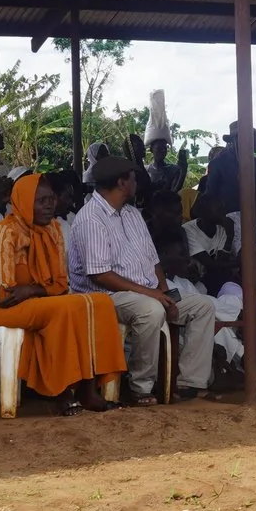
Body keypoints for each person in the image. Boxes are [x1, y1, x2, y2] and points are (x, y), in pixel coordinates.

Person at [0, 172, 125, 414]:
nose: (49, 205)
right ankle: (60, 392)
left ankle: (88, 389)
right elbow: (4, 295)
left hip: (36, 301)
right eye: (41, 200)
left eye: (51, 199)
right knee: (64, 309)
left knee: (100, 302)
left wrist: (33, 289)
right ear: (23, 201)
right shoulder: (5, 232)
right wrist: (39, 292)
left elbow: (60, 284)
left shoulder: (53, 230)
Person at [71, 154, 216, 401]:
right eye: (133, 178)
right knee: (150, 310)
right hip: (105, 296)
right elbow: (100, 274)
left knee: (203, 305)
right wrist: (153, 295)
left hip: (146, 291)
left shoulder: (132, 214)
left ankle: (189, 382)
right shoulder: (90, 218)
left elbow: (153, 260)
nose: (137, 182)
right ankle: (141, 387)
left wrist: (165, 291)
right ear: (121, 183)